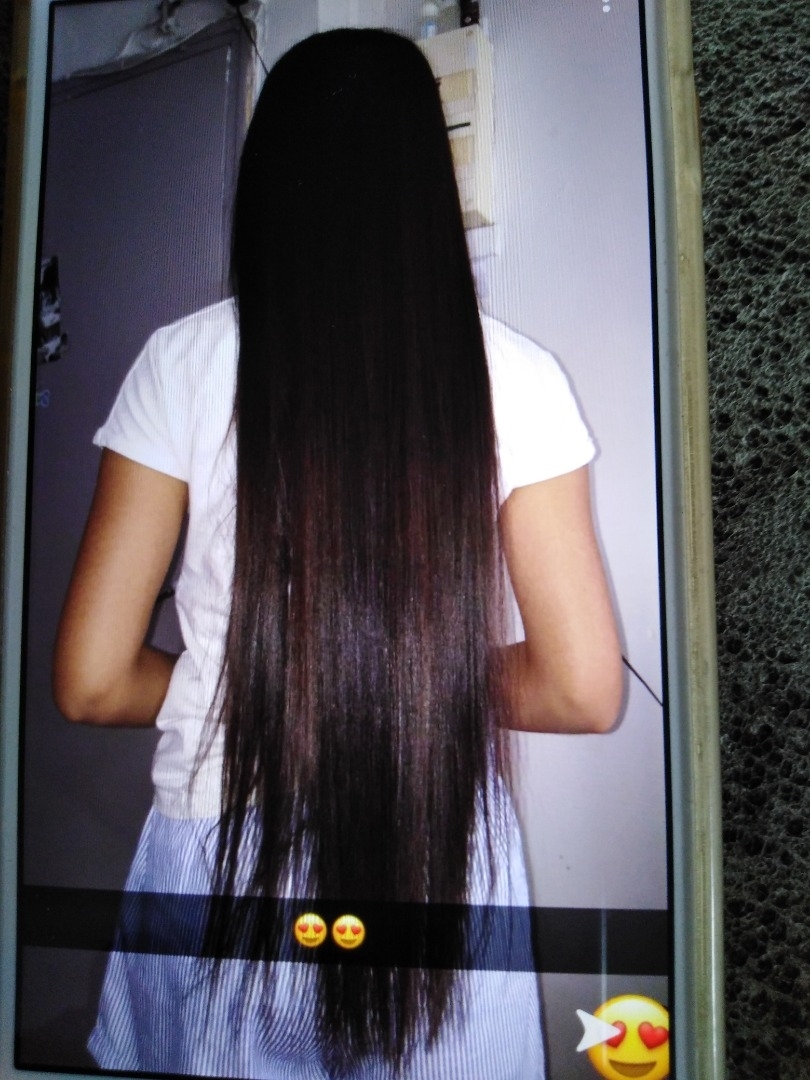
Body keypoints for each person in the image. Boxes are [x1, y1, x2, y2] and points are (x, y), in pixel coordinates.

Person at [53, 28, 622, 1080]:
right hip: (437, 854)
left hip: (219, 854)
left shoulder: (181, 362)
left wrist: (262, 685)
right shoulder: (520, 376)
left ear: (269, 177)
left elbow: (92, 682)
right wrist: (398, 686)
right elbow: (583, 689)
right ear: (426, 182)